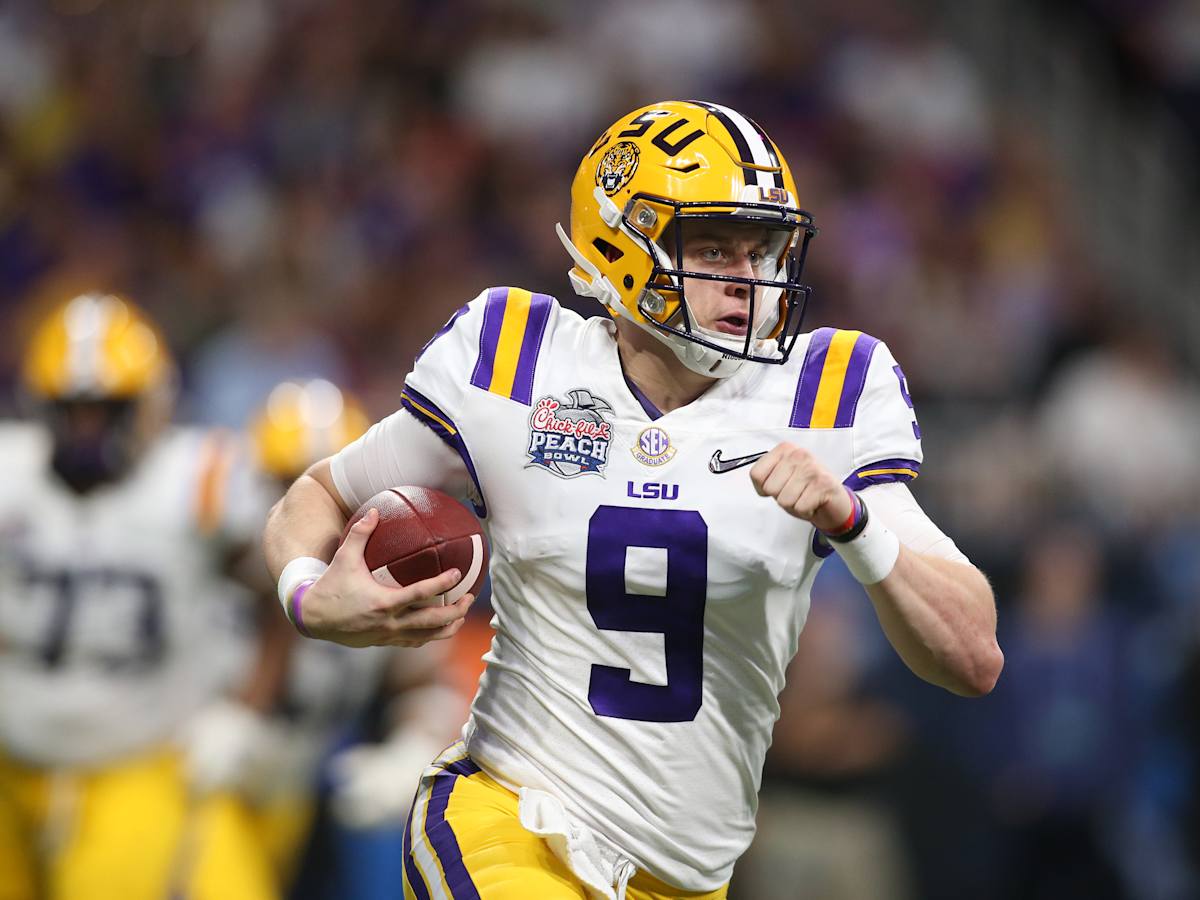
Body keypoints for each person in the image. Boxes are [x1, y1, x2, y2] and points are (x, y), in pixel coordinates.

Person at [263, 100, 1004, 899]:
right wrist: (308, 596)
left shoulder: (829, 393)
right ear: (622, 247)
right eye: (715, 249)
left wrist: (855, 525)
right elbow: (317, 495)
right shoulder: (512, 360)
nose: (749, 281)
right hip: (507, 821)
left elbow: (973, 658)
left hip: (684, 878)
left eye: (763, 251)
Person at [0, 292, 289, 900]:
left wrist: (243, 708)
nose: (87, 431)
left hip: (133, 762)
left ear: (152, 407)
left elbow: (278, 595)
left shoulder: (198, 479)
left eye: (106, 411)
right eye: (72, 411)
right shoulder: (12, 472)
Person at [244, 379, 465, 894]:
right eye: (285, 486)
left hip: (338, 777)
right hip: (248, 787)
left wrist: (410, 751)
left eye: (334, 498)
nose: (317, 516)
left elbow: (428, 685)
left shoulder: (388, 568)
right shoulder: (222, 565)